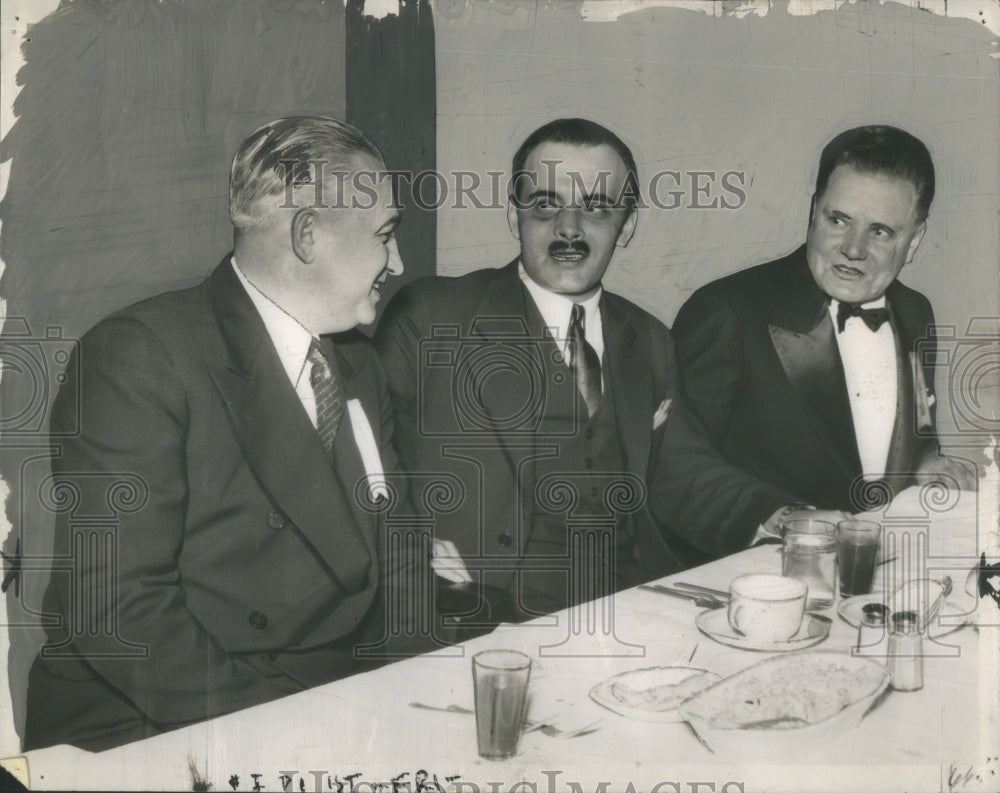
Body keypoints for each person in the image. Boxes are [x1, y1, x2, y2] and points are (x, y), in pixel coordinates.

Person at [23, 116, 426, 752]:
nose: (397, 263)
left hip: (325, 696)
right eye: (385, 235)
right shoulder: (139, 355)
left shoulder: (358, 365)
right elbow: (116, 612)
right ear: (307, 235)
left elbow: (400, 550)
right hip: (151, 721)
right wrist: (294, 735)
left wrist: (417, 699)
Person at [374, 118, 795, 621]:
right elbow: (362, 466)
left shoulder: (650, 339)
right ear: (515, 217)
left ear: (628, 225)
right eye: (546, 204)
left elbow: (681, 470)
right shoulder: (431, 317)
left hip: (627, 616)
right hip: (479, 620)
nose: (568, 228)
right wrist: (413, 550)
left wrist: (783, 517)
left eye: (596, 207)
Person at [672, 125, 976, 520]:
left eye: (880, 231)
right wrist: (784, 519)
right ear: (813, 211)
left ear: (914, 241)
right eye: (838, 220)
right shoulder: (725, 311)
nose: (853, 249)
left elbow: (910, 437)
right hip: (758, 572)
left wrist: (924, 466)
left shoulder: (916, 311)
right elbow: (678, 471)